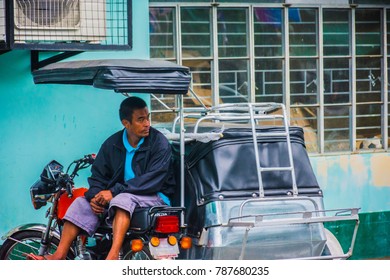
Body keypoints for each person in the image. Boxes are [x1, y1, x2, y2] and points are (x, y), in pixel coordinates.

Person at [26, 96, 175, 260]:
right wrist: (94, 197)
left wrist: (114, 192)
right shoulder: (112, 144)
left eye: (147, 118)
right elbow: (98, 176)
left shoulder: (159, 143)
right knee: (81, 202)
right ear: (126, 123)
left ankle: (112, 256)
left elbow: (152, 180)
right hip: (122, 194)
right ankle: (58, 255)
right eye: (141, 119)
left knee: (122, 200)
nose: (147, 123)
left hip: (154, 195)